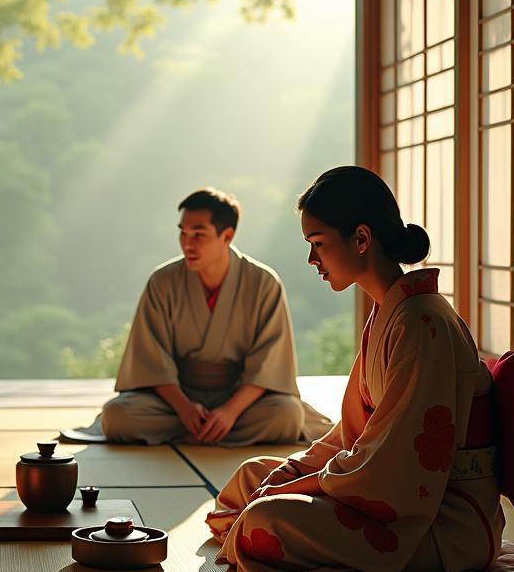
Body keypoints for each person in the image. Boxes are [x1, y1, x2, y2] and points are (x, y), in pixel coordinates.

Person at [208, 166, 514, 572]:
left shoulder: (421, 322)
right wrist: (295, 471)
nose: (311, 260)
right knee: (251, 476)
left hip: (441, 521)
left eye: (318, 244)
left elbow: (397, 465)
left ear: (361, 238)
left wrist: (307, 484)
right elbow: (355, 434)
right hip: (388, 492)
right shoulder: (390, 311)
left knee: (263, 519)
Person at [67, 188, 330, 446]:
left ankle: (205, 429)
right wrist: (185, 409)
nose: (187, 243)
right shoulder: (163, 281)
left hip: (239, 397)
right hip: (176, 399)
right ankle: (203, 428)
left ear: (227, 235)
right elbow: (151, 359)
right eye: (183, 233)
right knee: (118, 416)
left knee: (286, 415)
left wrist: (229, 412)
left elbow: (269, 364)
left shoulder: (263, 282)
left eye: (198, 234)